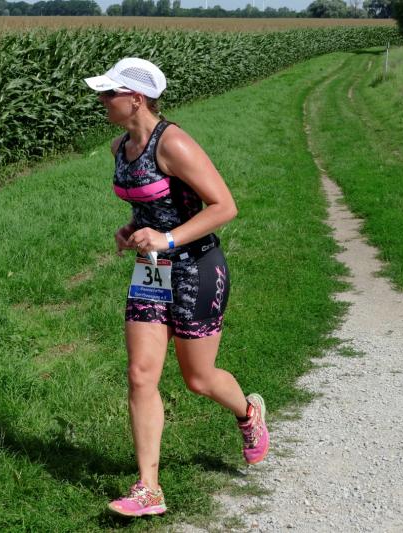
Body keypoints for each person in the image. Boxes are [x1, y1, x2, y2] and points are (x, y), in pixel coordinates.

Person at [83, 58, 269, 517]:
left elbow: (224, 206)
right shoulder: (119, 147)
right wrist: (133, 229)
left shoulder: (174, 144)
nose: (101, 100)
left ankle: (248, 414)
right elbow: (150, 204)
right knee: (140, 374)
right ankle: (149, 488)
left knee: (198, 378)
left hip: (196, 267)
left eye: (108, 93)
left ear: (135, 99)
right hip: (151, 271)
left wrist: (167, 239)